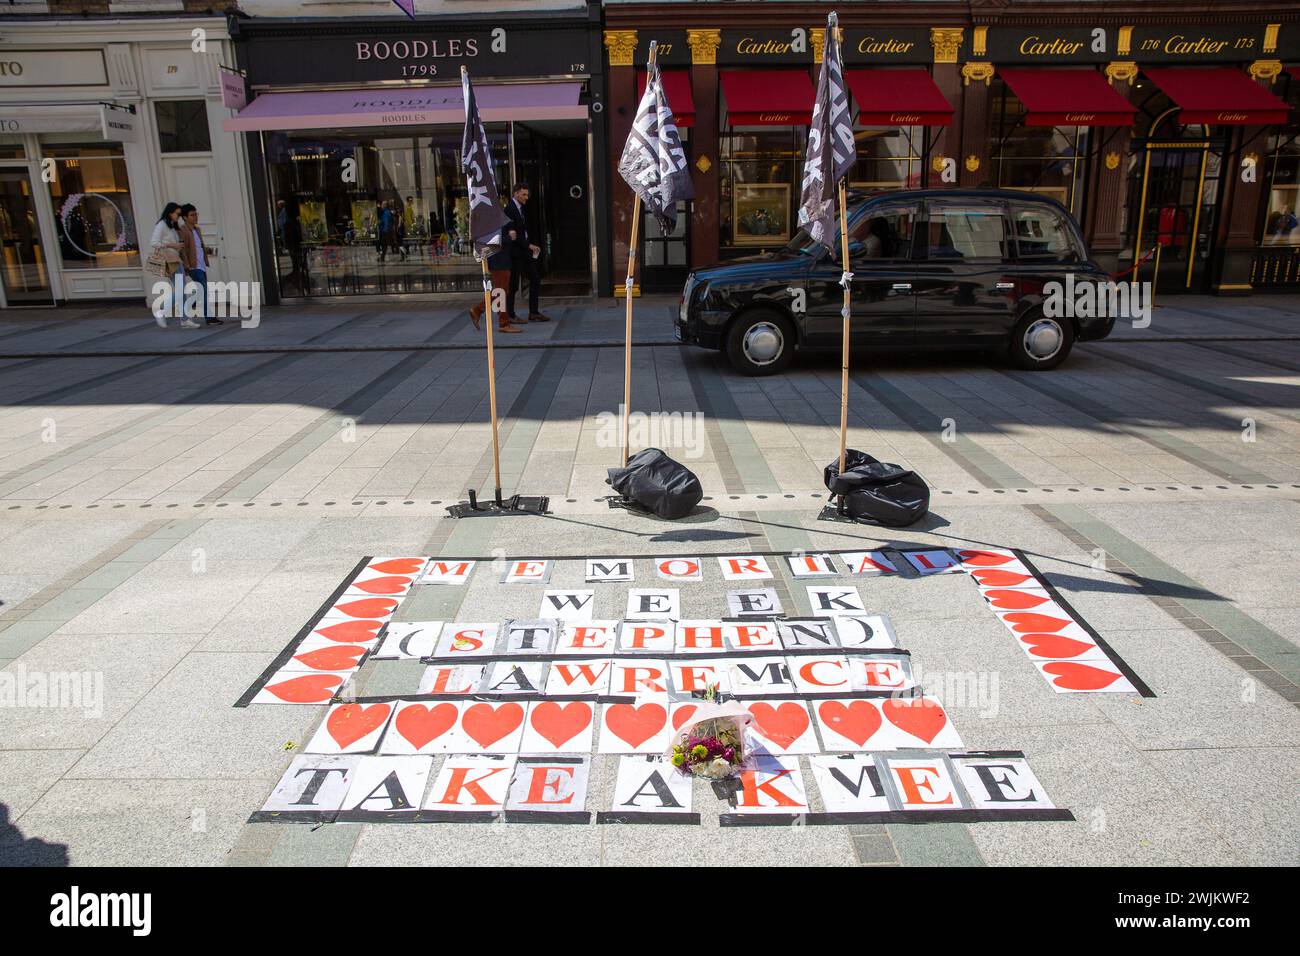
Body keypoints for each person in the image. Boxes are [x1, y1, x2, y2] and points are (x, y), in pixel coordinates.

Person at [504, 184, 550, 322]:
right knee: (512, 285)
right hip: (515, 252)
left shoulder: (521, 208)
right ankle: (510, 314)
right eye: (524, 194)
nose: (526, 197)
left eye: (527, 194)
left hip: (524, 251)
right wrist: (529, 245)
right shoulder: (509, 210)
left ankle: (533, 312)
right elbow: (514, 235)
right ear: (516, 194)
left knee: (535, 278)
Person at [468, 226, 523, 334]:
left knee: (500, 292)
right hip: (499, 261)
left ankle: (482, 312)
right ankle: (502, 322)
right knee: (500, 292)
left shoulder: (493, 217)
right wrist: (509, 237)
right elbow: (493, 242)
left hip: (500, 261)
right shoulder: (493, 218)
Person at [146, 202, 191, 328]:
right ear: (170, 213)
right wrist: (173, 245)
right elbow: (154, 242)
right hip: (170, 260)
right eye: (177, 214)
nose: (179, 216)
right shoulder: (161, 225)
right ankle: (161, 312)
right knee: (181, 290)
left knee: (181, 290)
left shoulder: (171, 225)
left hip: (175, 259)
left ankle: (185, 320)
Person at [178, 203, 222, 326]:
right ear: (185, 217)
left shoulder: (197, 229)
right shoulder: (183, 230)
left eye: (196, 214)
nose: (195, 216)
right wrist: (187, 265)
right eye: (192, 215)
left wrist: (207, 250)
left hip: (201, 264)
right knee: (204, 290)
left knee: (202, 290)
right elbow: (183, 249)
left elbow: (196, 247)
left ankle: (193, 303)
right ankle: (209, 318)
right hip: (193, 266)